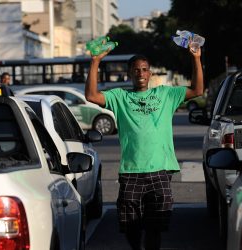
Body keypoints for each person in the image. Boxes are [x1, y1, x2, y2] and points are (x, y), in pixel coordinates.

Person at [85, 43, 203, 250]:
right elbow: (92, 96)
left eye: (145, 69)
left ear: (150, 74)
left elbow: (197, 90)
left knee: (154, 226)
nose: (141, 73)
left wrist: (195, 58)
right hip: (132, 172)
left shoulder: (166, 94)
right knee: (130, 225)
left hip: (160, 171)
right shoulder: (120, 97)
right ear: (130, 73)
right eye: (137, 69)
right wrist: (95, 61)